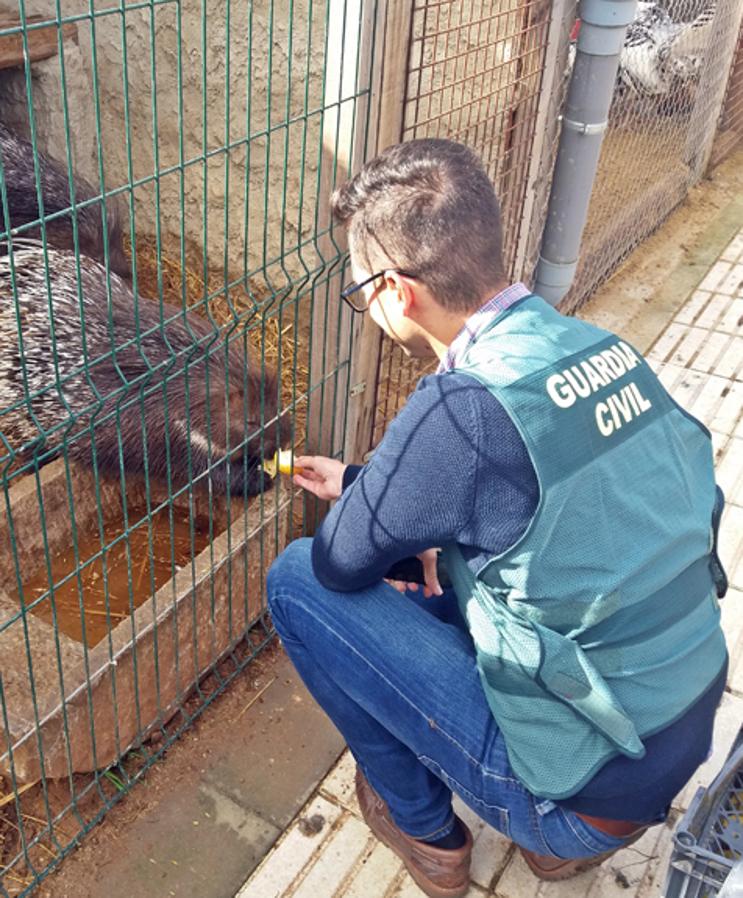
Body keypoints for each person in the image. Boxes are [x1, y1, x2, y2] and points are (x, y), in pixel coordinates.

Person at [266, 138, 729, 897]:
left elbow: (337, 564)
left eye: (358, 293)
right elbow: (529, 498)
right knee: (435, 569)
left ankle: (427, 833)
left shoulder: (458, 410)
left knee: (294, 583)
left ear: (392, 291)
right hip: (682, 719)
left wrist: (372, 511)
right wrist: (361, 482)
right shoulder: (593, 345)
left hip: (576, 791)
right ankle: (570, 843)